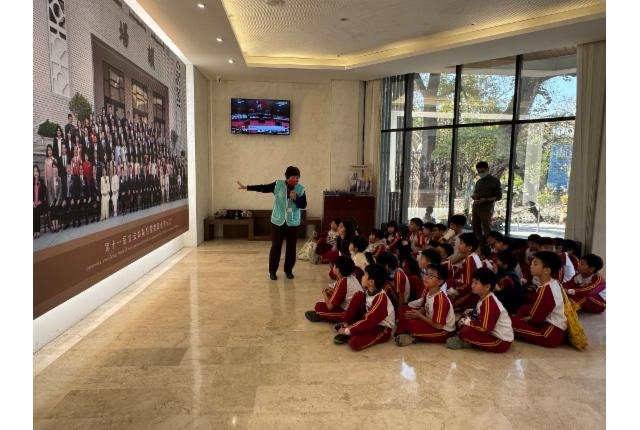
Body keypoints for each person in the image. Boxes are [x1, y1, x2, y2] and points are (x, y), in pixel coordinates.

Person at [238, 166, 307, 280]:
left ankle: (288, 270)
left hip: (292, 223)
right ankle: (272, 271)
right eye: (293, 177)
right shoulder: (278, 185)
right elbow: (263, 188)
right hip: (278, 221)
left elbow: (303, 204)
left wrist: (296, 198)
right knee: (276, 247)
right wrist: (247, 187)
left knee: (291, 248)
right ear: (287, 177)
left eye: (297, 177)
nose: (296, 180)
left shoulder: (300, 188)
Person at [447, 268, 514, 353]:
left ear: (487, 287)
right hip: (490, 332)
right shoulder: (485, 297)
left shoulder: (490, 304)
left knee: (465, 331)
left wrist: (468, 322)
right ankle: (464, 337)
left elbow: (485, 328)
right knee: (466, 315)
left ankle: (465, 340)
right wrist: (470, 313)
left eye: (476, 283)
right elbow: (481, 313)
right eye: (472, 282)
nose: (472, 285)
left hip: (500, 342)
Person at [510, 251, 567, 348]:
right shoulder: (553, 283)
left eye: (535, 264)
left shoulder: (546, 289)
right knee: (524, 308)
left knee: (509, 322)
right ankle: (518, 327)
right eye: (532, 263)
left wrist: (529, 318)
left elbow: (537, 319)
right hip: (550, 327)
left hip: (549, 334)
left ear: (547, 270)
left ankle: (516, 328)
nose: (531, 266)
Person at [334, 263, 395, 351]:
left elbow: (368, 322)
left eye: (365, 275)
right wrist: (348, 327)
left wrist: (348, 331)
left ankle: (349, 330)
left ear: (371, 282)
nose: (362, 277)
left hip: (381, 328)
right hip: (370, 320)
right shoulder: (369, 291)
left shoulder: (381, 300)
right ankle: (347, 325)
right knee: (358, 295)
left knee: (354, 343)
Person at [394, 264, 456, 346]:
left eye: (431, 276)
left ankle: (410, 334)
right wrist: (419, 312)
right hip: (432, 322)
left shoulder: (440, 300)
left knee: (412, 324)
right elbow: (426, 307)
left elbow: (438, 326)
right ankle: (405, 333)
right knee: (404, 310)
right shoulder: (429, 291)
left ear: (440, 281)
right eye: (426, 274)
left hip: (443, 332)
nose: (426, 277)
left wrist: (419, 316)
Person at [305, 256, 362, 323]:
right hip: (357, 309)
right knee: (330, 296)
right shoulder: (352, 277)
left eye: (334, 266)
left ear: (338, 270)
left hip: (350, 313)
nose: (333, 267)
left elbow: (330, 307)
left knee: (318, 306)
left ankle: (323, 316)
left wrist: (324, 293)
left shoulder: (342, 282)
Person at [449, 233, 482, 310]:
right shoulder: (474, 256)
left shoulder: (469, 261)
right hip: (475, 289)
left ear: (469, 247)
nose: (458, 245)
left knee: (447, 302)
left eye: (461, 243)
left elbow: (468, 284)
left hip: (473, 293)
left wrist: (456, 291)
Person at [471, 161, 502, 240]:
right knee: (475, 227)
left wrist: (486, 200)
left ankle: (489, 245)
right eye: (479, 172)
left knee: (486, 228)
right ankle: (478, 244)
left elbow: (498, 197)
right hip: (476, 207)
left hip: (486, 209)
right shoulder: (479, 181)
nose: (480, 173)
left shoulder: (494, 181)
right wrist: (474, 196)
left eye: (482, 172)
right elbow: (475, 193)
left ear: (487, 169)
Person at [494, 250, 525, 315]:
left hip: (511, 308)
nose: (497, 261)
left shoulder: (507, 278)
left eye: (499, 260)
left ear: (505, 263)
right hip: (512, 303)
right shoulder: (511, 272)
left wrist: (495, 273)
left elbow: (502, 294)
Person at [33, 165, 46, 238]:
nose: (36, 173)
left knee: (36, 210)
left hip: (40, 203)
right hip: (32, 203)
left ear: (39, 172)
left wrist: (40, 201)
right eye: (34, 171)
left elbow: (44, 192)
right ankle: (35, 231)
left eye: (37, 171)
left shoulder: (41, 181)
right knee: (34, 210)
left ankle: (37, 231)